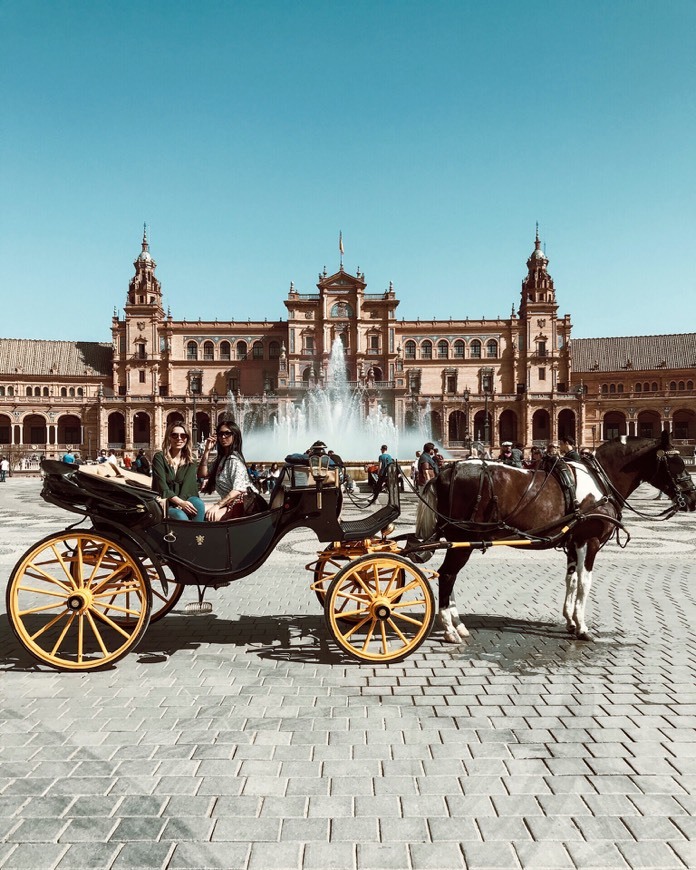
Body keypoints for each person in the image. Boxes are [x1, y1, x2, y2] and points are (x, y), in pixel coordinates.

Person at [200, 419, 260, 521]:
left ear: (235, 436)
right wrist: (206, 451)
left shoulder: (234, 460)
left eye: (227, 433)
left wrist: (217, 506)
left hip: (245, 505)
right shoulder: (222, 459)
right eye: (220, 434)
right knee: (197, 510)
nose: (223, 437)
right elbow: (203, 474)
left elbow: (237, 490)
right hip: (231, 504)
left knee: (209, 517)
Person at [151, 422, 206, 522]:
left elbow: (187, 485)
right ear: (169, 437)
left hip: (183, 499)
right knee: (180, 516)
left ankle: (197, 535)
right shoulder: (160, 457)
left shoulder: (191, 459)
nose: (179, 438)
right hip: (165, 501)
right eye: (174, 435)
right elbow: (162, 486)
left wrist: (182, 503)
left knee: (198, 504)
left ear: (187, 438)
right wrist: (180, 503)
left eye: (183, 435)